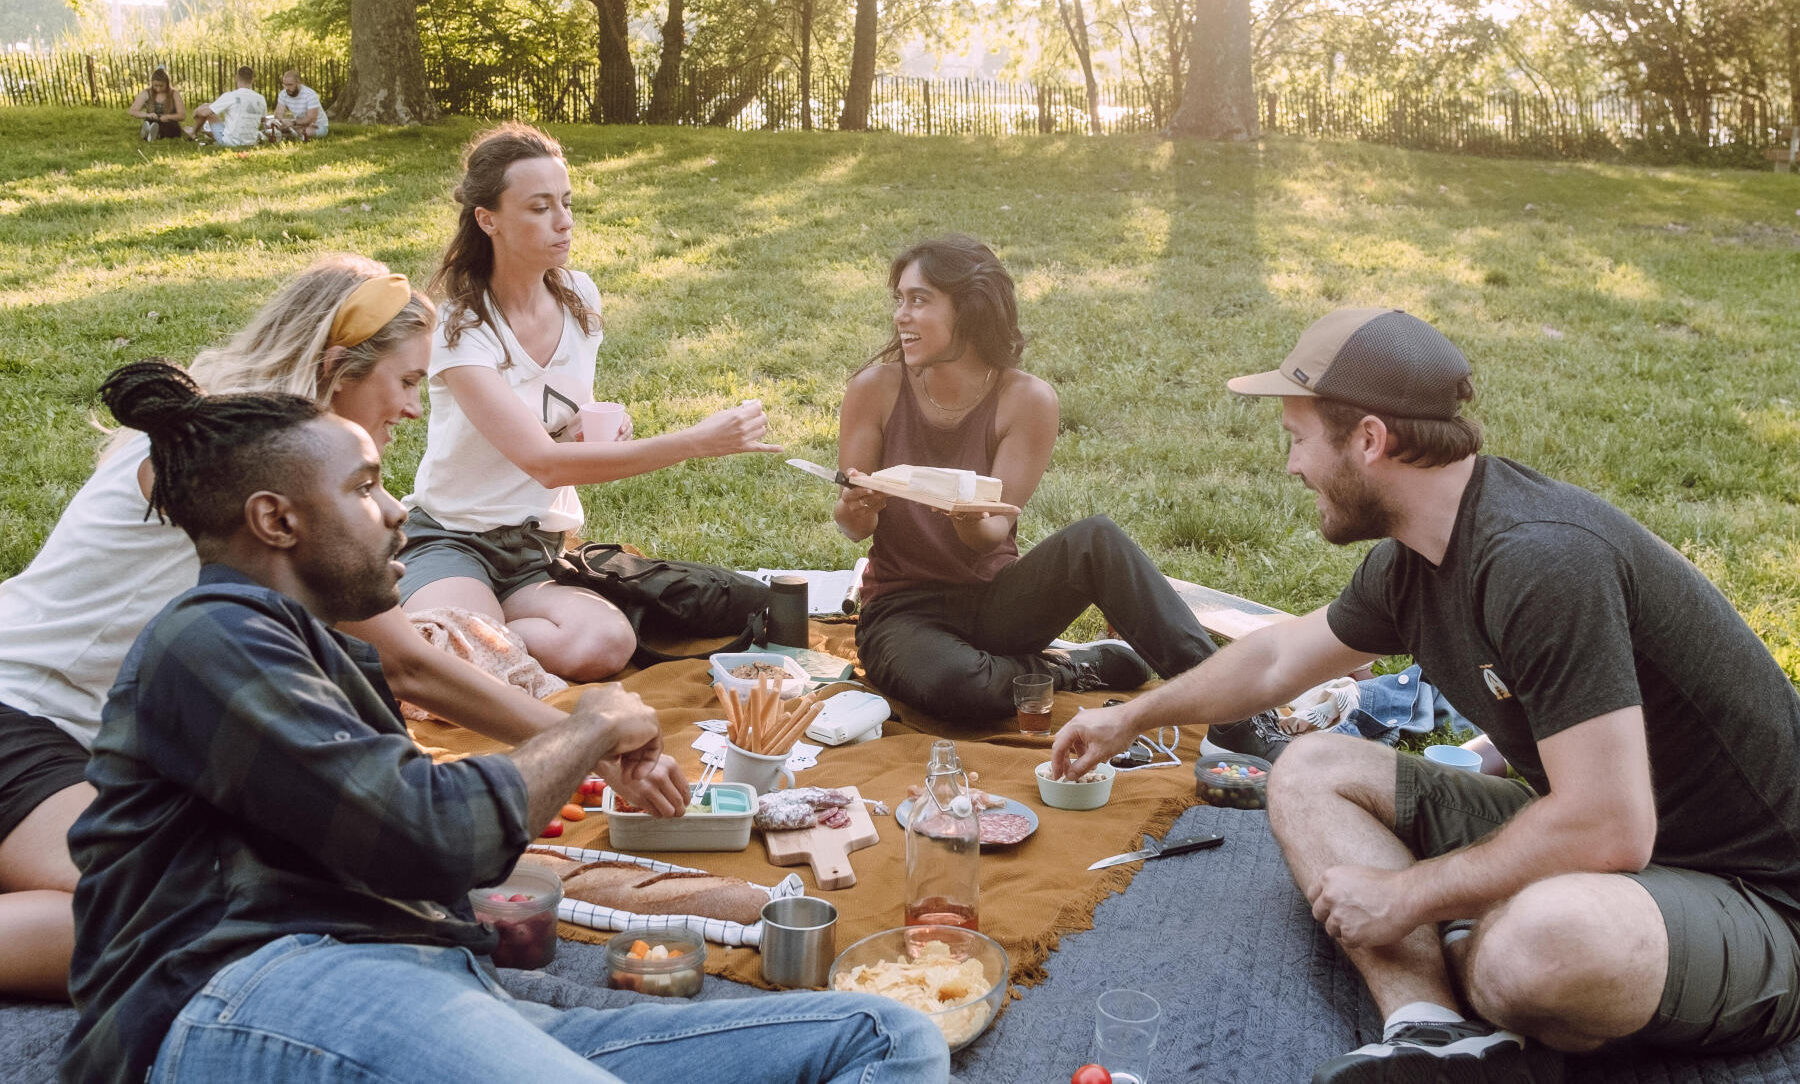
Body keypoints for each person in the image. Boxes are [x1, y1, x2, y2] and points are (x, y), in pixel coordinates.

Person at [59, 360, 946, 1084]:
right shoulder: (207, 637)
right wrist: (590, 723)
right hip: (245, 988)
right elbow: (425, 829)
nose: (397, 507)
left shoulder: (317, 651)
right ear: (276, 518)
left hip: (429, 981)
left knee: (886, 1034)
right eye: (366, 486)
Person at [1052, 308, 1800, 1083]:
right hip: (1607, 848)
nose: (1291, 465)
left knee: (1542, 945)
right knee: (1306, 770)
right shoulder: (1417, 559)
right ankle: (1432, 1028)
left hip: (1750, 893)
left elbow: (1612, 825)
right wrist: (1131, 715)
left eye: (1297, 437)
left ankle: (1486, 955)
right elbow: (1276, 657)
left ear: (1370, 440)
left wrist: (1406, 895)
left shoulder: (1541, 561)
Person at [0, 256, 670, 1001]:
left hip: (89, 740)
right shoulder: (239, 469)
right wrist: (582, 742)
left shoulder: (246, 441)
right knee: (157, 919)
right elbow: (410, 663)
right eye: (408, 380)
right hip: (24, 720)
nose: (415, 408)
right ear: (335, 369)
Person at [832, 234, 1285, 755]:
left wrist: (965, 517)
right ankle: (1074, 669)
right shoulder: (875, 389)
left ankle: (1233, 706)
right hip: (904, 610)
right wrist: (852, 508)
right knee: (960, 690)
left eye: (919, 300)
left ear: (970, 307)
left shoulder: (1026, 399)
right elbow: (853, 527)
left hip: (997, 604)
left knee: (1097, 538)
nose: (900, 316)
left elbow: (990, 537)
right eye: (899, 300)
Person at [398, 123, 782, 683]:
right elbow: (544, 462)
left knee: (606, 642)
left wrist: (584, 427)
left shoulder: (578, 297)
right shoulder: (461, 326)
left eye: (566, 202)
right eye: (539, 207)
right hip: (454, 537)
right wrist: (695, 443)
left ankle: (468, 624)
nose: (563, 220)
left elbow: (553, 437)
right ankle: (451, 614)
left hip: (536, 550)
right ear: (489, 220)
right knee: (471, 657)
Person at [185, 65, 266, 147]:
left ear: (236, 78)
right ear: (253, 80)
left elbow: (204, 113)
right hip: (251, 142)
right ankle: (197, 131)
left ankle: (193, 132)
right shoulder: (261, 99)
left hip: (230, 142)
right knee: (209, 107)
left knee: (208, 111)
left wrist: (195, 112)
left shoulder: (230, 96)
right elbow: (263, 120)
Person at [269, 68, 328, 141]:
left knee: (305, 132)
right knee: (274, 127)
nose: (287, 88)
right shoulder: (283, 94)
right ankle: (288, 133)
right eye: (285, 85)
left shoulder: (310, 94)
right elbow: (278, 115)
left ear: (298, 83)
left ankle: (288, 134)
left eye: (290, 85)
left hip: (317, 125)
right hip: (298, 125)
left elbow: (311, 119)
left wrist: (293, 123)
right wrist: (282, 122)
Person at [127, 68, 185, 141]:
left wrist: (167, 117)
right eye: (155, 86)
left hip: (169, 123)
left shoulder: (174, 94)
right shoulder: (146, 93)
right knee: (151, 123)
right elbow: (133, 111)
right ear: (152, 83)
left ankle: (153, 133)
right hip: (152, 120)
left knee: (169, 128)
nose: (158, 89)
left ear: (167, 84)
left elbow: (182, 116)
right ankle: (150, 131)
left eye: (161, 86)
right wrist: (148, 115)